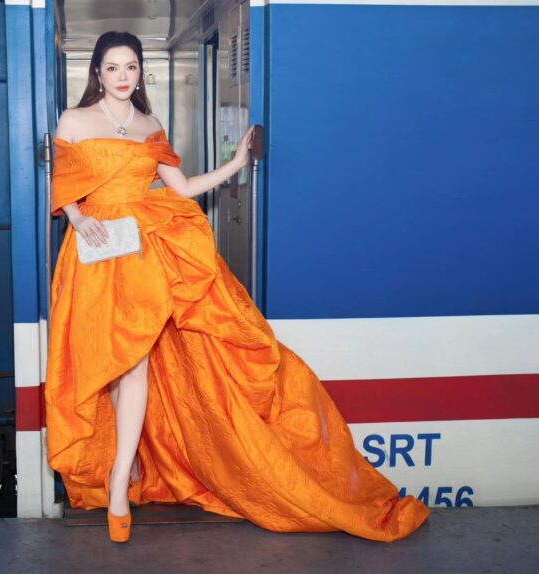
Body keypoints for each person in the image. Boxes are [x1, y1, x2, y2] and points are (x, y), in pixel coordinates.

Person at [44, 31, 429, 544]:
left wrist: (235, 164)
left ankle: (119, 486)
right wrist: (76, 217)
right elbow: (65, 184)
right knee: (109, 363)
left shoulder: (150, 125)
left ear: (141, 72)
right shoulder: (74, 120)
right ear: (97, 72)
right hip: (96, 253)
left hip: (145, 253)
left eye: (130, 66)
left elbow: (182, 188)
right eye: (112, 67)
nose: (122, 76)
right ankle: (128, 464)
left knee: (133, 363)